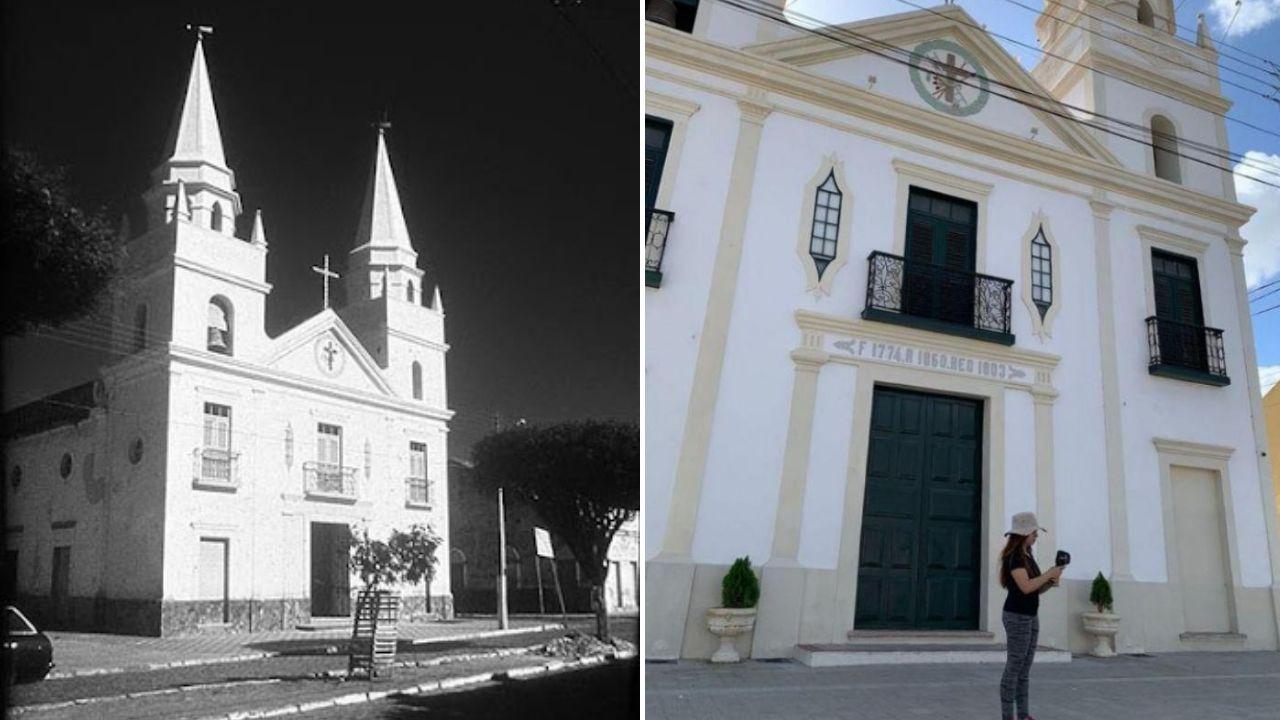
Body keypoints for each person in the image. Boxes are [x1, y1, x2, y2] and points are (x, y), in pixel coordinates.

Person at [998, 511, 1063, 720]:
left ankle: (1024, 715)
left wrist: (1050, 581)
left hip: (1030, 615)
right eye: (1034, 533)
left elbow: (1035, 590)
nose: (1036, 536)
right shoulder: (1014, 558)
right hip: (1016, 616)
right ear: (1024, 533)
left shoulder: (1028, 556)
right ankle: (1008, 716)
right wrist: (1047, 574)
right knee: (1014, 667)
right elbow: (1025, 587)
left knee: (1024, 669)